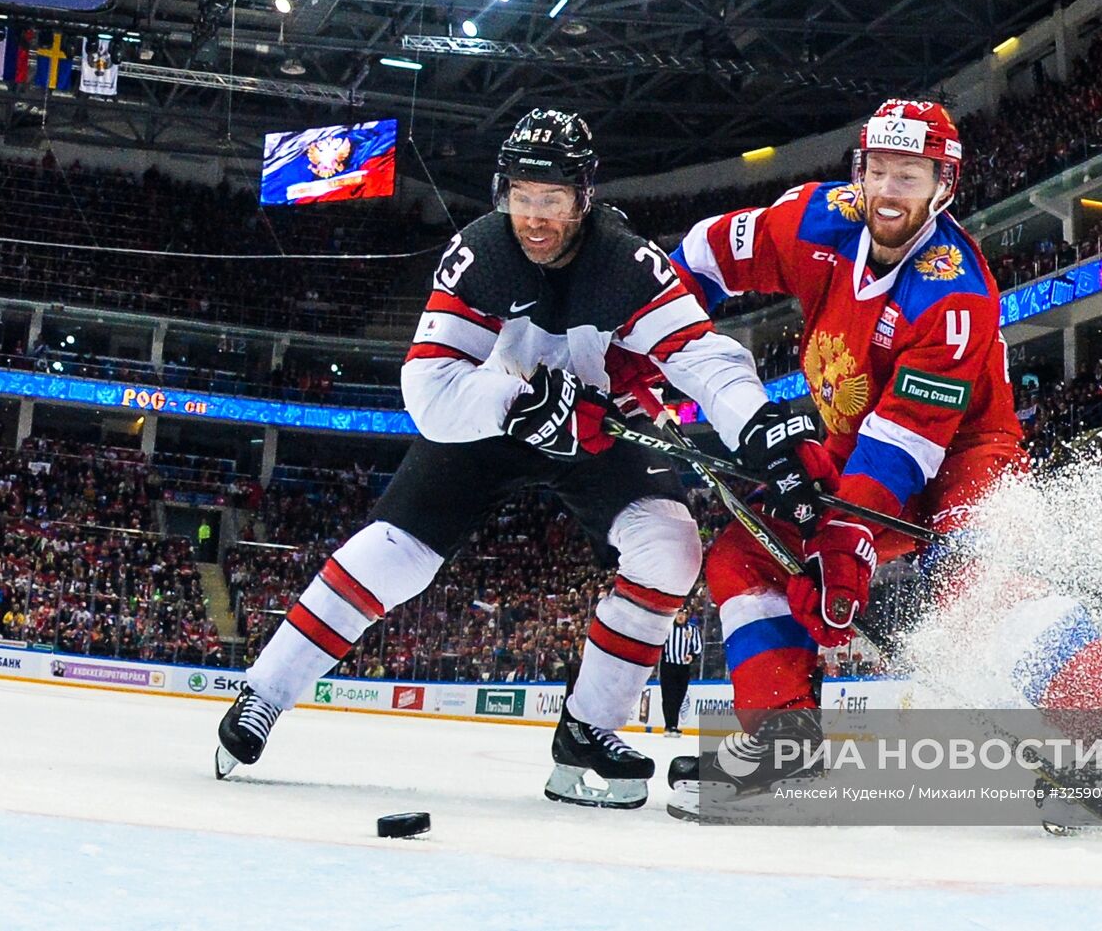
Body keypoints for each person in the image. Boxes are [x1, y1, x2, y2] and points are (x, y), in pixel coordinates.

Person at [214, 108, 825, 810]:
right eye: (522, 197)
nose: (533, 217)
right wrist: (518, 403)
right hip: (489, 419)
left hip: (596, 426)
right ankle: (264, 690)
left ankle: (589, 730)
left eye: (552, 200)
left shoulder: (627, 262)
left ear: (583, 197)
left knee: (671, 547)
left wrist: (759, 428)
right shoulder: (481, 252)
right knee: (394, 553)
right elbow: (428, 387)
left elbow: (703, 357)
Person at [666, 99, 1102, 828]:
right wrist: (652, 348)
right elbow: (700, 258)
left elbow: (904, 446)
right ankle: (782, 744)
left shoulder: (954, 290)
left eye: (910, 173)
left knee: (988, 574)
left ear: (942, 185)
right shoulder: (812, 219)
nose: (889, 189)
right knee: (746, 556)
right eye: (877, 169)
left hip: (962, 452)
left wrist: (844, 547)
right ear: (857, 172)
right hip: (849, 443)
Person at [659, 610, 702, 737]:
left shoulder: (692, 630)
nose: (680, 616)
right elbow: (660, 644)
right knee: (668, 696)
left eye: (683, 614)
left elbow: (698, 647)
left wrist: (692, 656)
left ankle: (674, 725)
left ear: (686, 616)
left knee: (679, 696)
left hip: (683, 667)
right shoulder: (668, 628)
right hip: (668, 665)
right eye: (678, 613)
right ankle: (669, 725)